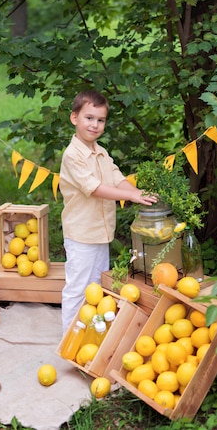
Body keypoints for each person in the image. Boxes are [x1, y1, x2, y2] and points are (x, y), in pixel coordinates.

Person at [59, 90, 157, 333]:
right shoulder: (73, 155)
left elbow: (116, 178)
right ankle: (69, 338)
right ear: (74, 118)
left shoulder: (100, 152)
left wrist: (136, 192)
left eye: (100, 120)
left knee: (96, 287)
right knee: (78, 288)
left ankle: (91, 336)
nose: (95, 125)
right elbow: (95, 189)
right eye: (89, 118)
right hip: (81, 234)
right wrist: (131, 196)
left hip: (100, 234)